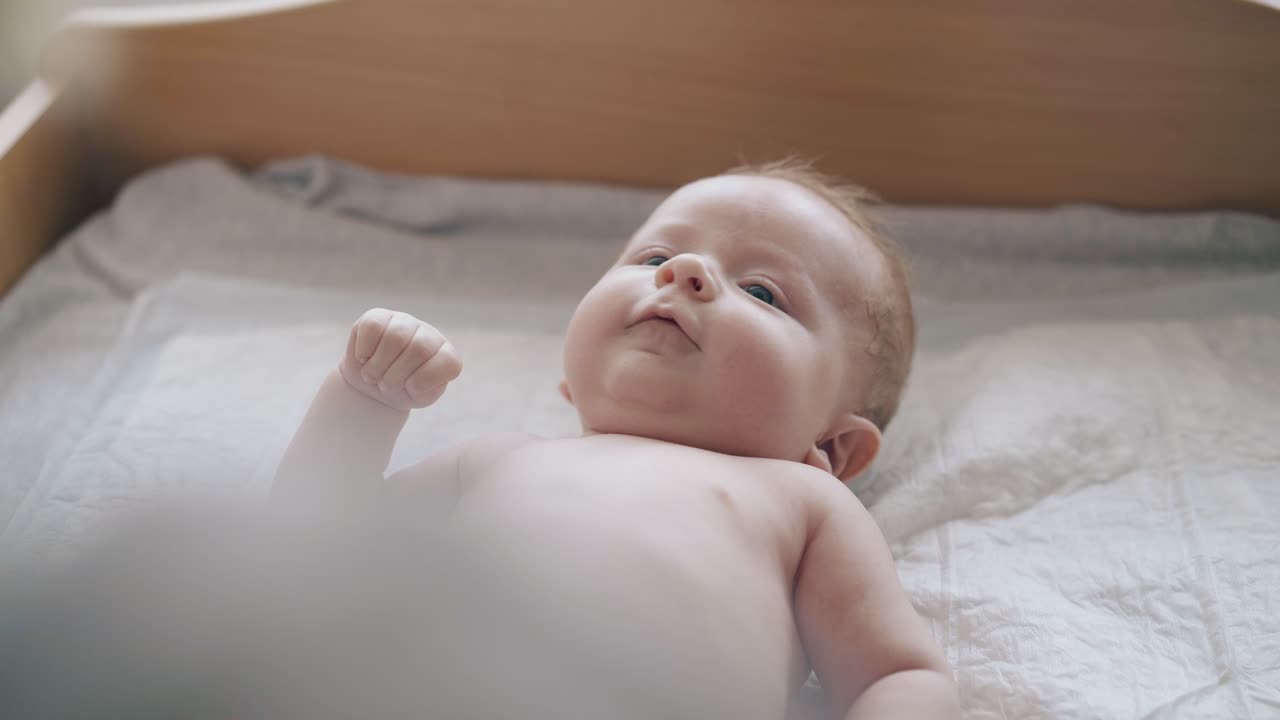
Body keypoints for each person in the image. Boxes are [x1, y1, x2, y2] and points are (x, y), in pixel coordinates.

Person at [270, 158, 960, 719]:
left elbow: (897, 673)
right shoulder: (498, 459)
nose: (683, 272)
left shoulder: (801, 499)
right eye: (656, 253)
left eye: (763, 292)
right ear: (572, 380)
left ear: (834, 450)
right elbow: (311, 551)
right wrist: (363, 402)